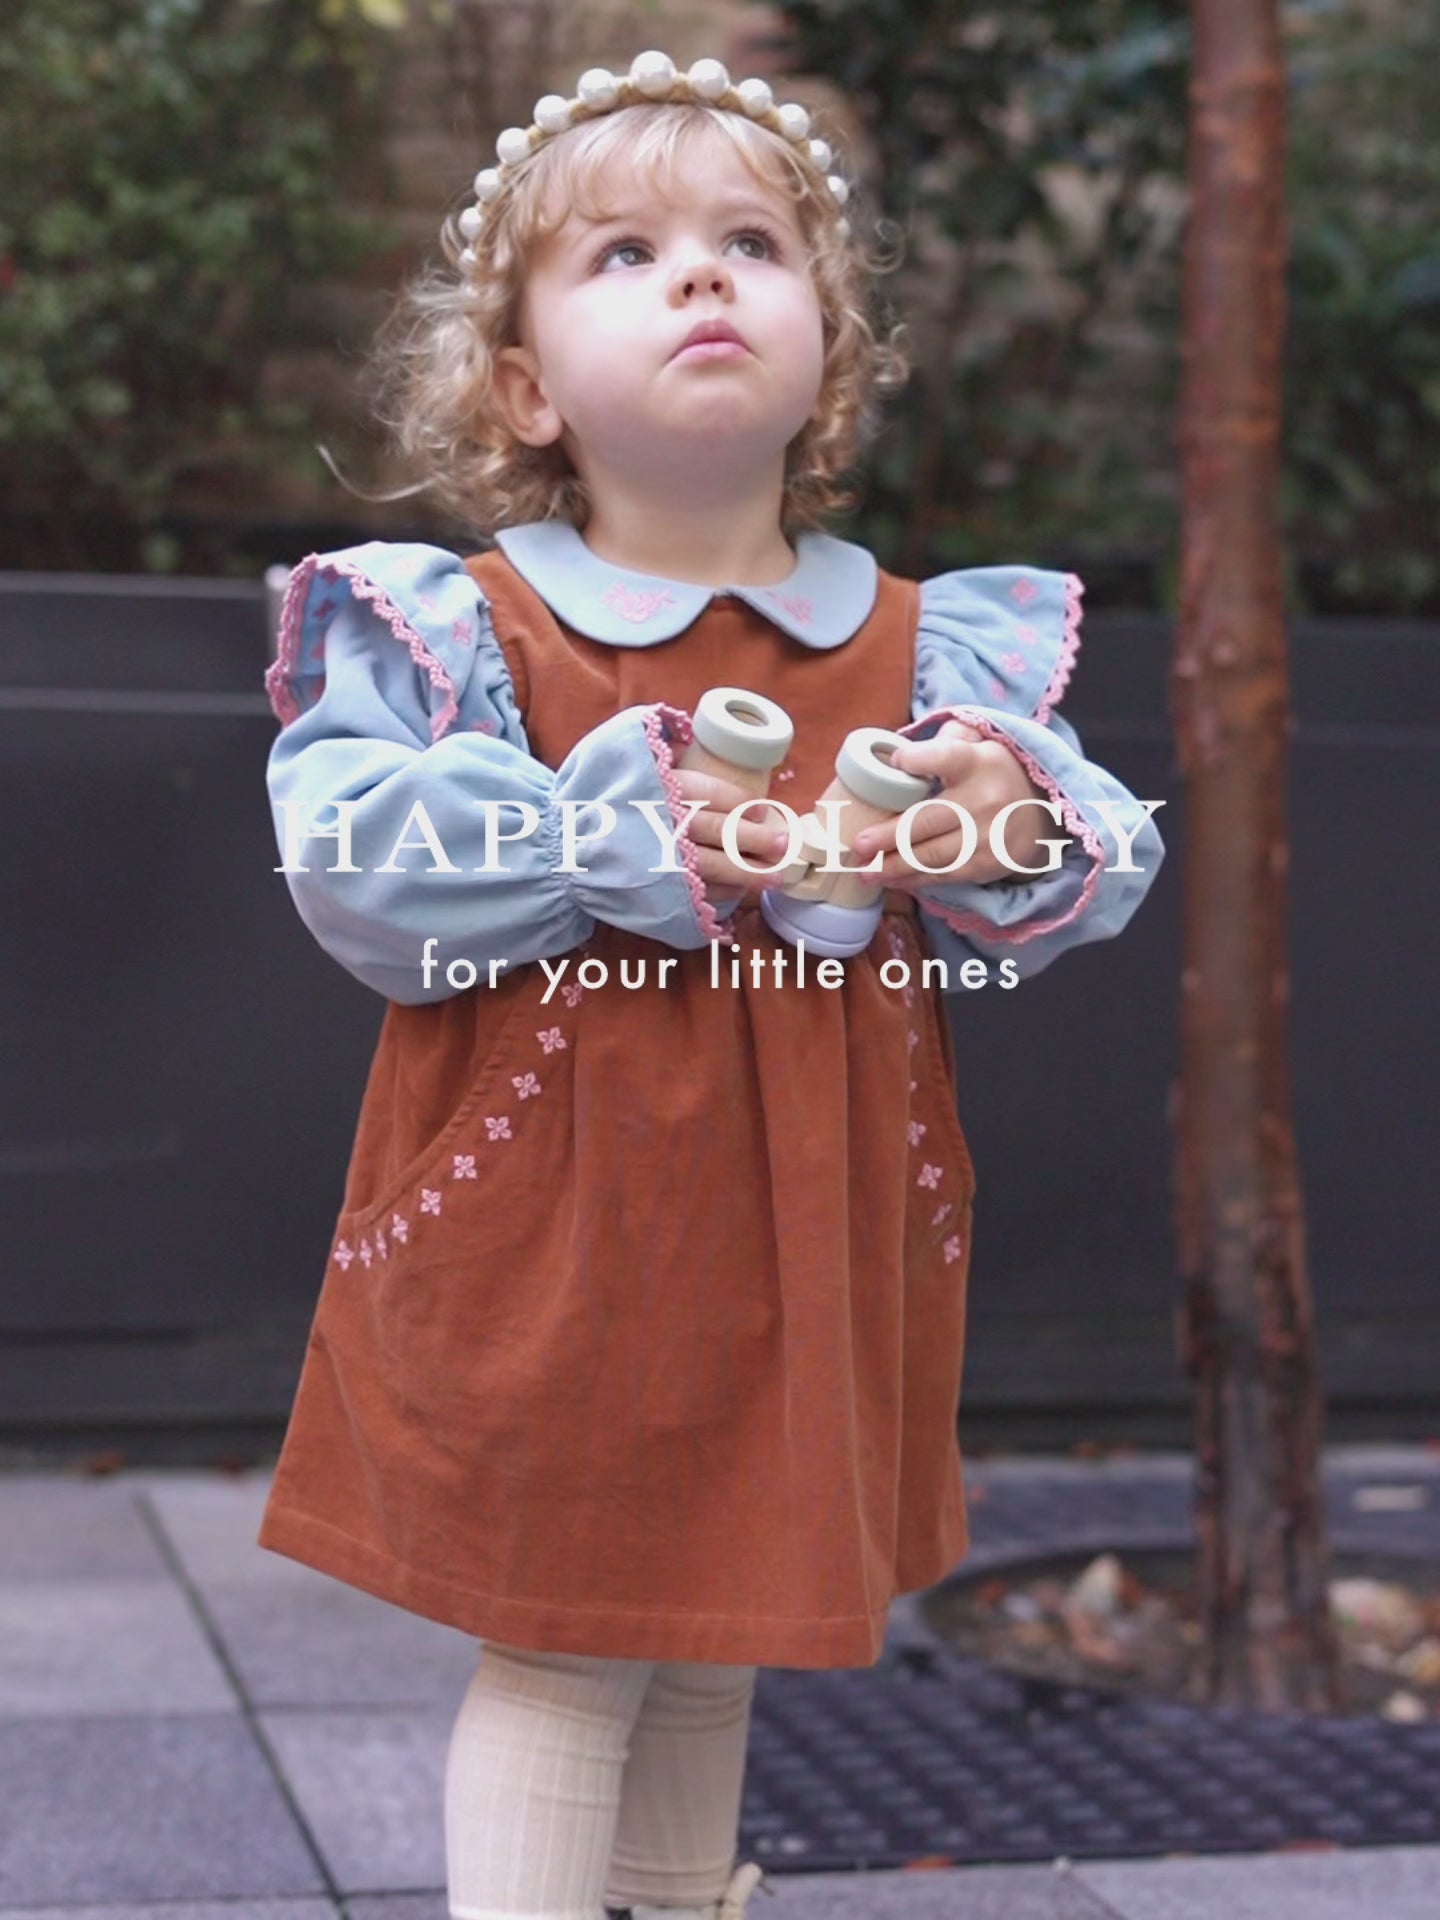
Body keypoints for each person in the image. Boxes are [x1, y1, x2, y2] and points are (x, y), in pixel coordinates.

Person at [256, 48, 1165, 1920]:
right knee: (568, 1644)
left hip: (808, 1229)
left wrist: (1000, 813)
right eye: (626, 253)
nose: (700, 275)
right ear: (525, 384)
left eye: (752, 243)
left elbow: (1092, 854)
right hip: (559, 1226)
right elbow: (351, 860)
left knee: (713, 1635)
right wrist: (600, 834)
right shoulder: (466, 627)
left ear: (829, 351)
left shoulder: (925, 648)